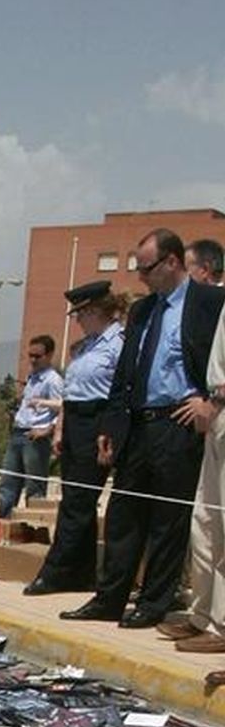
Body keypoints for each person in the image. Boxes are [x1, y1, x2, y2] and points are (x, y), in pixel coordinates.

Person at [61, 228, 225, 628]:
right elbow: (126, 372)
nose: (140, 277)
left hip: (180, 423)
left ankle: (154, 603)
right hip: (138, 425)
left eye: (146, 268)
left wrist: (211, 402)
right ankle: (109, 598)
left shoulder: (210, 301)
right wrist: (111, 423)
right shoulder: (142, 310)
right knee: (123, 514)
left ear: (172, 262)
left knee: (169, 521)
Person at [23, 283, 123, 595]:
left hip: (99, 420)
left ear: (94, 311)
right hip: (76, 421)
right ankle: (82, 571)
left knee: (78, 502)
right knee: (77, 500)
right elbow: (71, 394)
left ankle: (56, 571)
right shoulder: (84, 347)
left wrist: (107, 430)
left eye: (80, 314)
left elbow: (119, 392)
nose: (77, 320)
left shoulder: (119, 344)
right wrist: (61, 429)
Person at [157, 301, 225, 652]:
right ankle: (202, 615)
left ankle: (222, 624)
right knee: (205, 522)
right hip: (216, 411)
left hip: (219, 406)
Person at [0, 333, 63, 517]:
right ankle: (3, 523)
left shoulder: (53, 380)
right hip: (18, 433)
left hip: (35, 437)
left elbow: (62, 408)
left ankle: (34, 525)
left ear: (49, 355)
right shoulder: (32, 377)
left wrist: (47, 430)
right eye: (30, 355)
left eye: (37, 356)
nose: (33, 360)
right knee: (8, 484)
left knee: (34, 487)